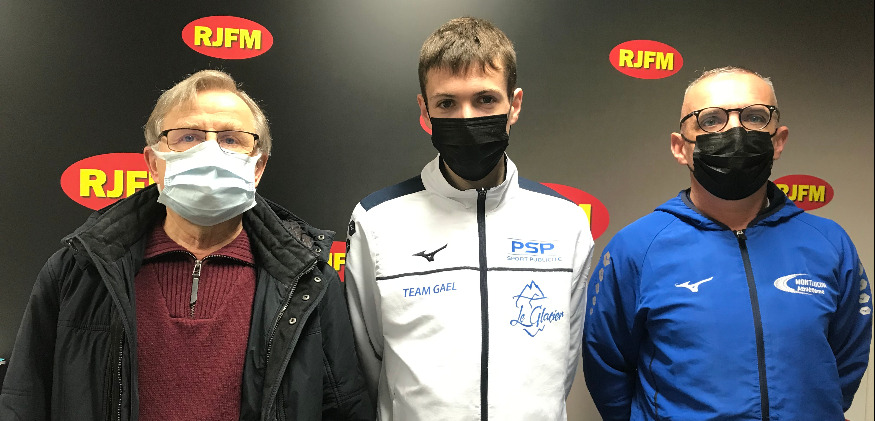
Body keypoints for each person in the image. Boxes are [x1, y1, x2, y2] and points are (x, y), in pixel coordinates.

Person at [0, 70, 372, 420]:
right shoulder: (77, 271)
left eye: (231, 139)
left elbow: (343, 410)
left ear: (257, 167)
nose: (210, 153)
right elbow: (23, 402)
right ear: (153, 162)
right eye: (188, 137)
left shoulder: (308, 283)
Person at [582, 66, 873, 420]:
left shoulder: (829, 243)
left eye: (754, 117)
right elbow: (608, 368)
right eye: (711, 120)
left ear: (778, 141)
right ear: (680, 147)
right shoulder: (637, 248)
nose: (735, 131)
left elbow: (844, 364)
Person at [343, 17, 594, 421]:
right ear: (425, 110)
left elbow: (562, 367)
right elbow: (367, 366)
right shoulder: (376, 221)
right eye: (447, 103)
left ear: (514, 105)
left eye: (485, 99)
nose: (466, 117)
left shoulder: (565, 221)